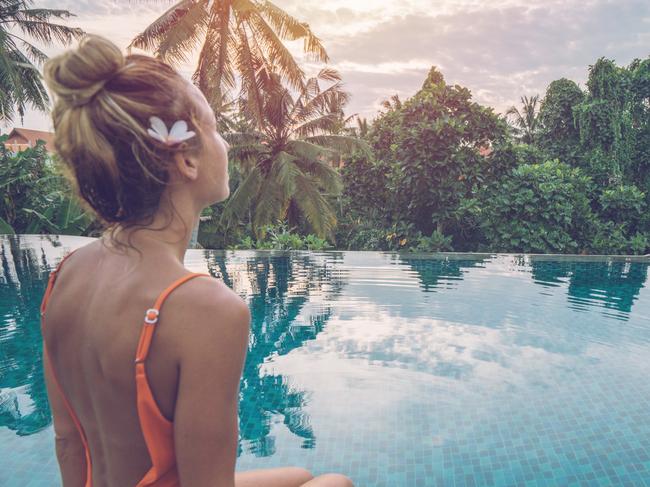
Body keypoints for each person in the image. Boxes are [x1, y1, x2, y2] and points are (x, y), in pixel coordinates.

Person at [40, 34, 354, 487]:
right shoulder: (205, 310)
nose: (225, 144)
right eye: (214, 128)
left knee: (299, 475)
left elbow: (67, 442)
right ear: (186, 158)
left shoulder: (64, 275)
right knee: (335, 484)